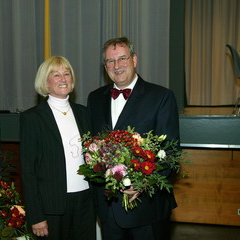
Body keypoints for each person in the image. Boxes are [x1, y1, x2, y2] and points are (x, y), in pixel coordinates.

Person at [87, 37, 180, 240]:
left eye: (122, 58)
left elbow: (170, 151)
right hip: (108, 209)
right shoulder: (94, 98)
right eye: (110, 61)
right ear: (105, 66)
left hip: (147, 208)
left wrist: (143, 184)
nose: (117, 66)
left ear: (134, 59)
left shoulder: (161, 96)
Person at [20, 56, 96, 240]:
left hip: (86, 202)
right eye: (56, 75)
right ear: (45, 82)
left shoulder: (84, 113)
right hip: (51, 207)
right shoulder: (33, 118)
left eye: (67, 73)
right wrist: (36, 216)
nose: (63, 78)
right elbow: (28, 172)